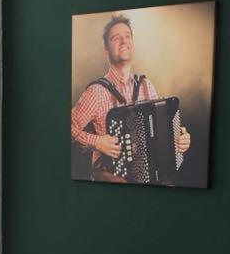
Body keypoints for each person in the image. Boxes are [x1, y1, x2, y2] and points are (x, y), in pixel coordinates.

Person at [71, 14, 191, 182]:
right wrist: (97, 142)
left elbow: (161, 128)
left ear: (132, 45)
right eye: (116, 38)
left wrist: (179, 138)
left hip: (148, 175)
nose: (123, 41)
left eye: (127, 36)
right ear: (106, 51)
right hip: (109, 174)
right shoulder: (96, 91)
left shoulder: (146, 85)